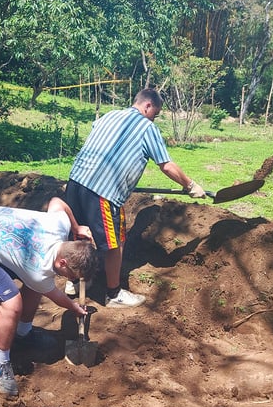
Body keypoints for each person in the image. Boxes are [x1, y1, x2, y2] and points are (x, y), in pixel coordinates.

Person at [65, 88, 206, 308]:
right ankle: (113, 294)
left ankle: (75, 281)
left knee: (78, 233)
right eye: (155, 113)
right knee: (115, 243)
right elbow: (166, 165)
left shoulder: (110, 115)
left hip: (75, 182)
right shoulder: (147, 128)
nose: (154, 118)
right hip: (103, 191)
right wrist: (190, 185)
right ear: (148, 106)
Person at [0, 197, 98, 397]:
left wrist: (76, 226)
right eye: (71, 276)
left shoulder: (59, 225)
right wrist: (74, 308)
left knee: (35, 286)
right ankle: (1, 363)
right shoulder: (37, 270)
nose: (70, 280)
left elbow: (57, 201)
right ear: (63, 263)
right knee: (12, 304)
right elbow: (56, 296)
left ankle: (23, 333)